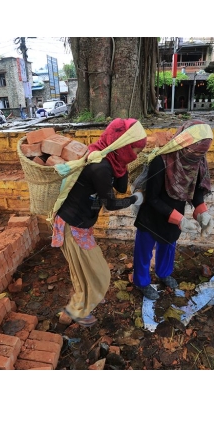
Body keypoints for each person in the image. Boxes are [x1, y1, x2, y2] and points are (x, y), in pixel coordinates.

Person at [52, 118, 147, 327]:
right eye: (135, 151)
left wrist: (123, 163)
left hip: (82, 223)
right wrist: (134, 200)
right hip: (73, 225)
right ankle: (76, 311)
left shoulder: (108, 156)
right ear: (122, 145)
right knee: (98, 272)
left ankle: (85, 301)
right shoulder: (100, 166)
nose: (136, 156)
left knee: (85, 270)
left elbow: (121, 187)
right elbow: (111, 203)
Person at [132, 120, 214, 300]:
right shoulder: (161, 160)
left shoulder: (197, 161)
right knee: (144, 251)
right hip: (152, 214)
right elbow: (152, 198)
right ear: (184, 143)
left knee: (168, 246)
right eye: (194, 152)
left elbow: (197, 190)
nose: (196, 157)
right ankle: (141, 282)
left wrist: (202, 212)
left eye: (201, 153)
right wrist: (179, 219)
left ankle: (164, 273)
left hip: (175, 211)